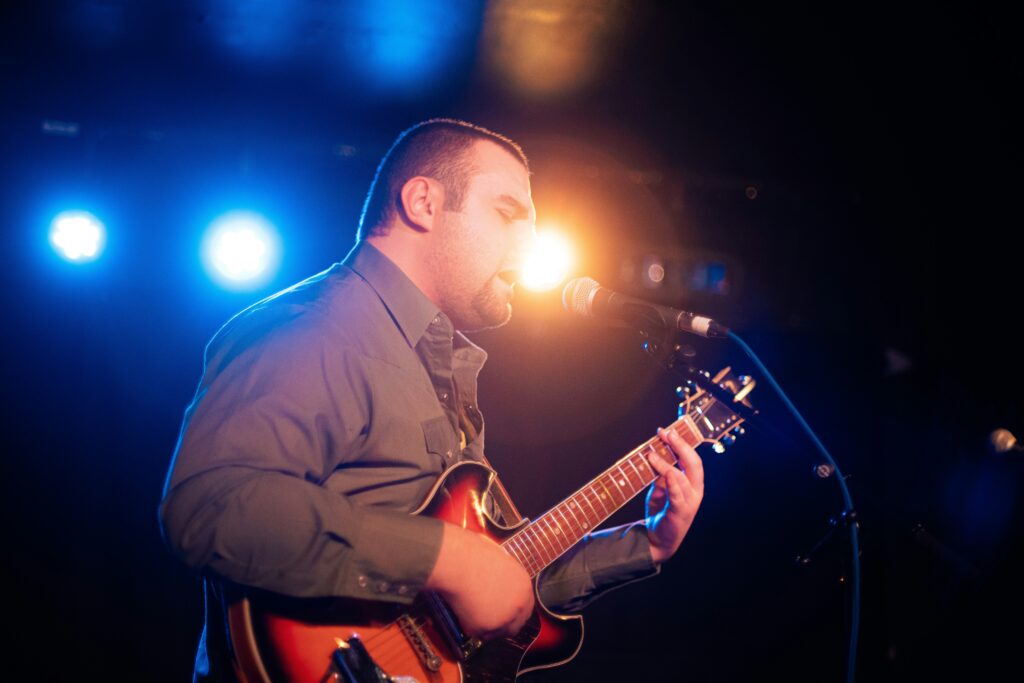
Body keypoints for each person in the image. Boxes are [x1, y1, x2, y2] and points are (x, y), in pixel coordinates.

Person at [159, 118, 704, 681]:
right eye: (508, 213)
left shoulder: (436, 361)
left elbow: (499, 577)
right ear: (423, 202)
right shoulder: (316, 328)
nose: (531, 243)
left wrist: (649, 544)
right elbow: (209, 506)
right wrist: (447, 557)